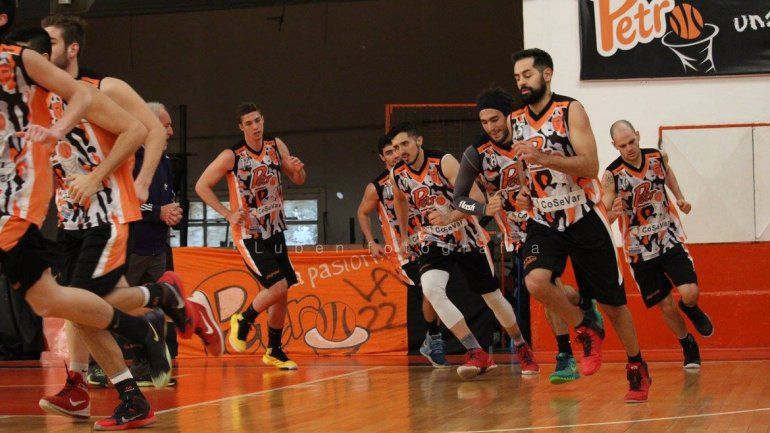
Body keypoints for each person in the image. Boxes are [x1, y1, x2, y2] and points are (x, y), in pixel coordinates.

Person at [0, 6, 172, 430]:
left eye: (51, 41)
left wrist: (125, 181)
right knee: (68, 304)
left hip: (107, 212)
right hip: (70, 218)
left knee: (77, 304)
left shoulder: (97, 88)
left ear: (69, 48)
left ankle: (153, 314)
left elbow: (141, 130)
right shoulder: (38, 96)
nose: (40, 47)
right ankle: (84, 384)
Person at [510, 48, 650, 402]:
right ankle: (583, 327)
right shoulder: (515, 120)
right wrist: (525, 196)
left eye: (527, 74)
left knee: (613, 303)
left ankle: (636, 366)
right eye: (517, 77)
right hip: (544, 219)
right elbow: (527, 172)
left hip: (583, 215)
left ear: (547, 74)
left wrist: (544, 157)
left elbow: (590, 165)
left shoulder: (570, 109)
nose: (522, 82)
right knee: (535, 282)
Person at [453, 87, 603, 383]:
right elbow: (458, 199)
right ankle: (579, 316)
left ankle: (566, 351)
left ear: (509, 115)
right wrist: (483, 206)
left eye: (495, 119)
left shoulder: (533, 135)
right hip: (519, 232)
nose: (491, 127)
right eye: (484, 122)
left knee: (546, 285)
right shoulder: (476, 153)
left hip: (552, 219)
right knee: (549, 287)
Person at [389, 122, 538, 379]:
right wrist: (404, 234)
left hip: (464, 233)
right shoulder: (397, 174)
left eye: (405, 144)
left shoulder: (444, 162)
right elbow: (400, 199)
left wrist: (450, 216)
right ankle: (475, 351)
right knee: (431, 290)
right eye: (395, 147)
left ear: (418, 141)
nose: (400, 150)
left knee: (492, 297)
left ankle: (521, 345)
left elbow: (478, 200)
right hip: (432, 239)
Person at [196, 103, 306, 369]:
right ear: (241, 127)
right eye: (249, 123)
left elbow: (298, 179)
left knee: (283, 293)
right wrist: (227, 213)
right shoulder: (231, 156)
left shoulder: (276, 145)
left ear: (263, 120)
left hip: (276, 229)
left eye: (258, 121)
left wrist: (298, 168)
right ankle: (243, 319)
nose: (255, 127)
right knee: (277, 286)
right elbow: (201, 186)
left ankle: (274, 350)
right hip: (249, 234)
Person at [602, 119, 713, 370]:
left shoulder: (656, 157)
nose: (629, 148)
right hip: (639, 250)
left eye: (632, 141)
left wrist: (680, 197)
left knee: (689, 292)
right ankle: (687, 344)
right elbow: (605, 205)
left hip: (668, 238)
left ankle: (691, 308)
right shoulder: (612, 175)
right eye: (622, 145)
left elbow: (668, 175)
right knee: (665, 305)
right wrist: (609, 213)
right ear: (614, 146)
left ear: (638, 135)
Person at [356, 134, 448, 367]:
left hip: (430, 239)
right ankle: (433, 340)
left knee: (436, 289)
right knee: (428, 289)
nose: (395, 155)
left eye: (396, 150)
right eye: (388, 152)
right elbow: (362, 212)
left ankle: (433, 338)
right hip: (403, 249)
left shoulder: (418, 173)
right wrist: (371, 241)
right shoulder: (377, 185)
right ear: (382, 158)